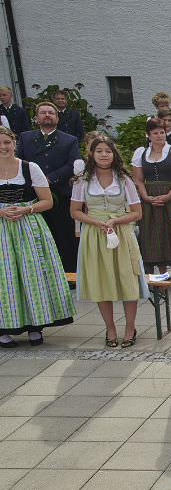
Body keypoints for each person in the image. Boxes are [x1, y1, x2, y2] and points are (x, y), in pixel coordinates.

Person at [0, 125, 74, 347]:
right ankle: (3, 327)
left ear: (14, 143)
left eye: (6, 142)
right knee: (5, 278)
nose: (3, 147)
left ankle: (35, 326)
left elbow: (47, 201)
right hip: (2, 228)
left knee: (32, 274)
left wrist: (25, 209)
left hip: (28, 228)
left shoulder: (29, 168)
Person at [70, 135, 147, 348]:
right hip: (94, 235)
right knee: (101, 280)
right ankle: (110, 328)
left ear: (114, 154)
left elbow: (137, 213)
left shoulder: (124, 180)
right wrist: (96, 222)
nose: (104, 155)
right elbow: (75, 211)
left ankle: (130, 327)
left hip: (120, 233)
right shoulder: (82, 180)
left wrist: (116, 219)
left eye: (108, 151)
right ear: (92, 154)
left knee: (127, 280)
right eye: (99, 151)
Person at [16, 101, 81, 272]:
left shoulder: (69, 140)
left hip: (60, 193)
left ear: (57, 118)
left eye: (51, 113)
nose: (47, 115)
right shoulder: (26, 138)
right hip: (33, 195)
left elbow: (73, 164)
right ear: (36, 118)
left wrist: (50, 178)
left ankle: (69, 272)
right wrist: (35, 180)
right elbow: (19, 161)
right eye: (43, 112)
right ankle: (41, 270)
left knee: (64, 235)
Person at [131, 117, 171, 273]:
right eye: (155, 133)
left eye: (162, 132)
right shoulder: (141, 153)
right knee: (153, 233)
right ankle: (161, 273)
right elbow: (138, 179)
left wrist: (169, 196)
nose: (159, 136)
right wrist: (145, 197)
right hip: (149, 199)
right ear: (148, 135)